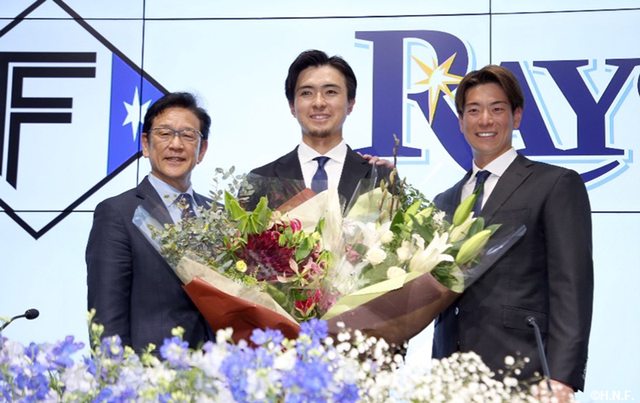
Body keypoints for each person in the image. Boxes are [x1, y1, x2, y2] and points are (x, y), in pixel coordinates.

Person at [431, 65, 593, 400]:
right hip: (451, 377)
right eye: (473, 111)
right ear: (460, 121)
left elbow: (572, 286)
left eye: (497, 109)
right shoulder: (444, 201)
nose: (485, 120)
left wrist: (561, 377)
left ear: (516, 116)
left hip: (527, 372)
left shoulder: (555, 184)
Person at [86, 92, 214, 352]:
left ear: (201, 150)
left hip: (218, 369)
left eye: (188, 135)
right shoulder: (117, 213)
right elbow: (107, 320)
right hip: (151, 372)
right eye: (164, 134)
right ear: (145, 144)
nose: (176, 144)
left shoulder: (219, 215)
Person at [240, 49, 393, 211]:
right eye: (306, 93)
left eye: (330, 92)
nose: (319, 103)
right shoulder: (260, 181)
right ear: (292, 106)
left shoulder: (380, 178)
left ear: (350, 103)